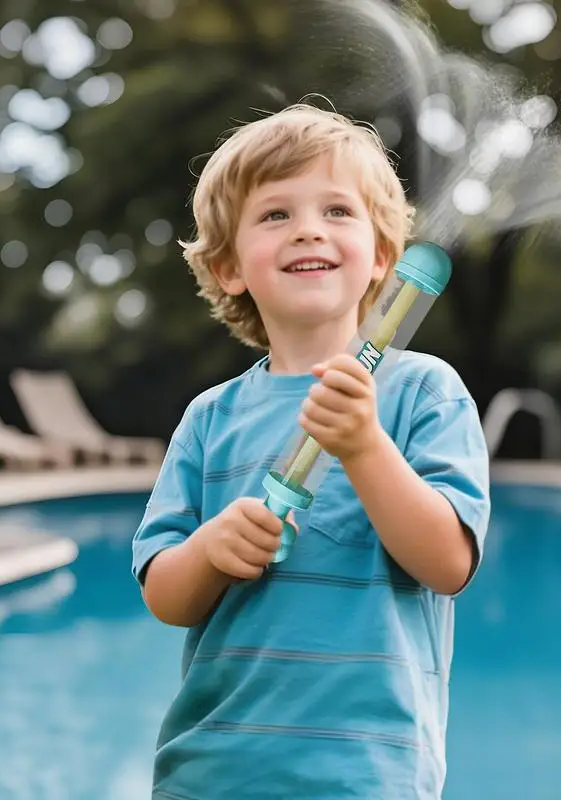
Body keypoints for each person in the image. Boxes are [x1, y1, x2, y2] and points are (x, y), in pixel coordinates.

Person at [131, 102, 491, 799]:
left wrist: (364, 447)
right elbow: (165, 595)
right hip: (212, 772)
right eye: (275, 215)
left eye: (337, 211)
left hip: (363, 775)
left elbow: (449, 563)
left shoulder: (423, 393)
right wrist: (208, 551)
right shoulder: (210, 419)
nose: (307, 230)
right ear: (229, 266)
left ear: (382, 258)